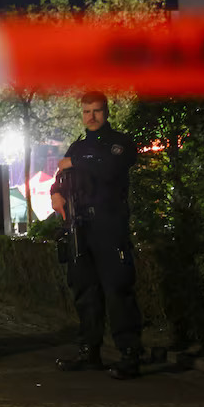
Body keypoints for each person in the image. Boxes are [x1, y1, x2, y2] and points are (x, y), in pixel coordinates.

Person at [50, 91, 141, 379]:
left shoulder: (120, 144)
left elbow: (111, 169)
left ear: (107, 113)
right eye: (87, 111)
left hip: (109, 225)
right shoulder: (77, 147)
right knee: (84, 291)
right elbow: (61, 177)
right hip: (80, 227)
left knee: (117, 289)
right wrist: (55, 194)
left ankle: (130, 355)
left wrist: (75, 164)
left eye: (97, 111)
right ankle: (90, 351)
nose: (91, 116)